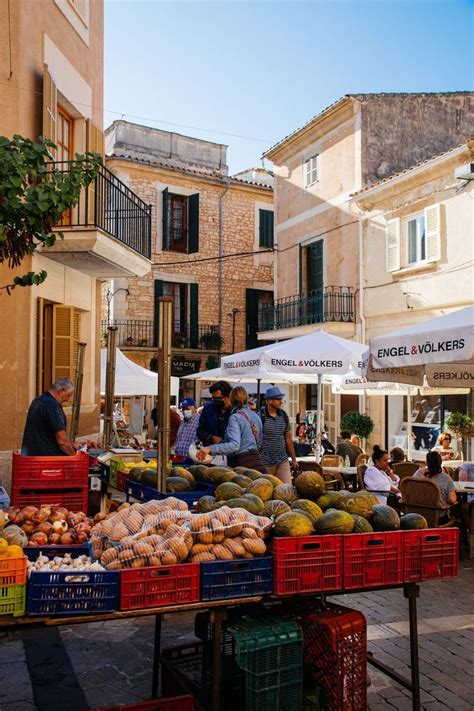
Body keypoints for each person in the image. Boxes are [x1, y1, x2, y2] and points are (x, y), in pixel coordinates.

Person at [197, 386, 265, 472]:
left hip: (241, 465)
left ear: (231, 399)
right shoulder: (256, 416)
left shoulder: (235, 417)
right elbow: (259, 443)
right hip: (257, 463)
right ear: (247, 399)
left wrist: (210, 448)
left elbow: (234, 445)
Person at [21, 378, 77, 456]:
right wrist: (74, 457)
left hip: (33, 455)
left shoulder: (37, 400)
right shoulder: (52, 406)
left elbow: (44, 433)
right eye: (68, 395)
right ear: (61, 391)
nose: (67, 399)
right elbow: (62, 442)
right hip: (47, 459)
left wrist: (71, 444)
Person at [258, 386, 297, 484]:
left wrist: (294, 459)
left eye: (281, 399)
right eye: (278, 399)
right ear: (269, 401)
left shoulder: (283, 415)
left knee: (287, 489)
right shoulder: (260, 416)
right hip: (265, 461)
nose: (281, 401)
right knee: (267, 491)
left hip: (282, 460)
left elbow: (288, 439)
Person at [414, 450, 457, 522]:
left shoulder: (418, 474)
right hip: (437, 517)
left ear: (427, 462)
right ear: (440, 462)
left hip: (417, 516)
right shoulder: (446, 478)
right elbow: (452, 500)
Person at [196, 380, 232, 446]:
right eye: (213, 398)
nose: (215, 401)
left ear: (228, 396)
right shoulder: (208, 409)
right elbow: (200, 431)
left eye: (218, 398)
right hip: (210, 450)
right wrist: (211, 437)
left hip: (229, 451)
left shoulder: (235, 411)